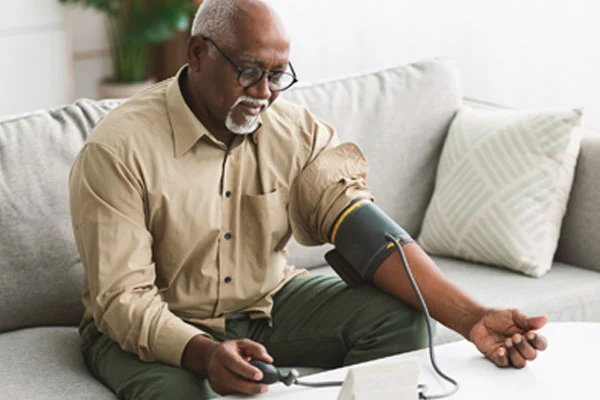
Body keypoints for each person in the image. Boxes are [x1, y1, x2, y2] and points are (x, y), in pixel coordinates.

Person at [69, 0, 548, 399]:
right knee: (184, 395)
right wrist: (202, 352)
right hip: (150, 323)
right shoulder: (118, 149)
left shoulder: (294, 132)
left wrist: (473, 319)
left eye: (278, 75)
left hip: (265, 302)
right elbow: (122, 300)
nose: (264, 93)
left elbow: (366, 234)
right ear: (197, 52)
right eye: (250, 71)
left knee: (403, 323)